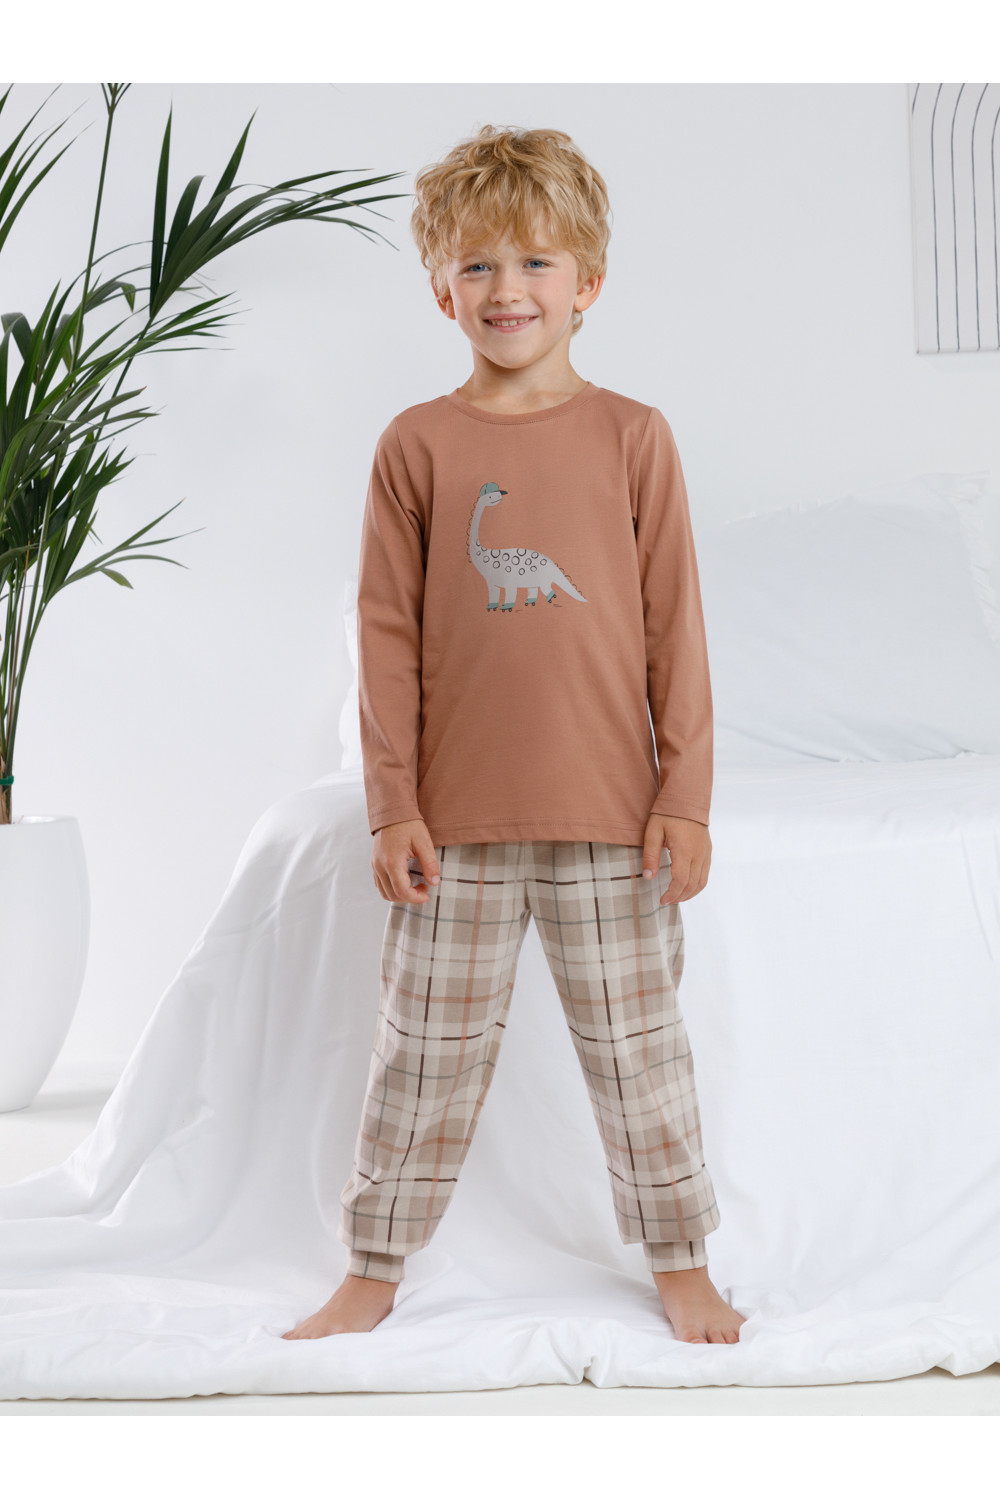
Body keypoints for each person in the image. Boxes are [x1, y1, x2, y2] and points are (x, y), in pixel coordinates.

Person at [283, 124, 745, 1345]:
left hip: (612, 822)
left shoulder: (634, 436)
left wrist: (684, 796)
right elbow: (386, 635)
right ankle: (373, 1267)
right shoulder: (417, 445)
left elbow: (675, 628)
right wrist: (393, 803)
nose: (508, 289)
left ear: (587, 283)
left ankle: (681, 1258)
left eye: (537, 262)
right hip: (457, 829)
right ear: (442, 289)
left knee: (640, 1058)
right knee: (421, 1060)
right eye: (479, 264)